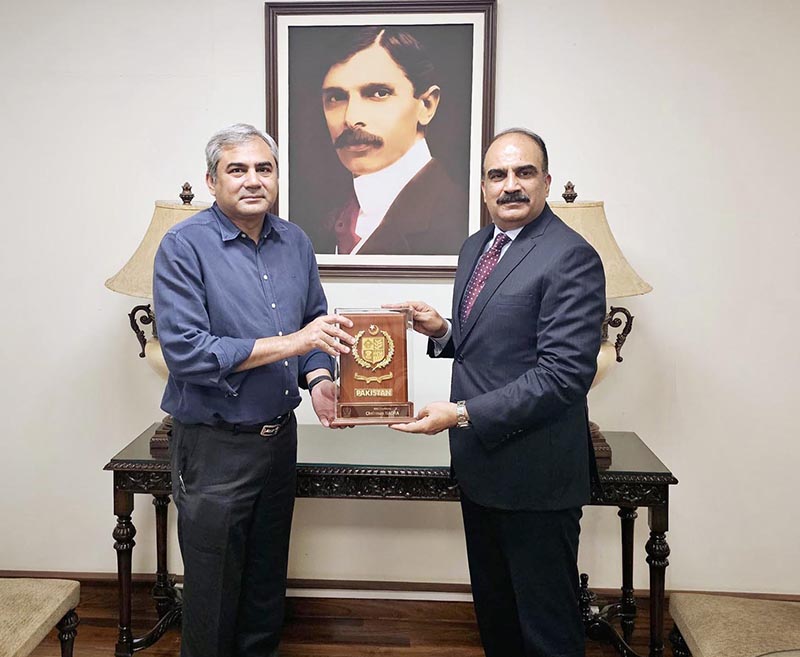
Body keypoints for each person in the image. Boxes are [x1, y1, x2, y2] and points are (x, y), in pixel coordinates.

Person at [388, 128, 606, 657]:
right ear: (483, 188)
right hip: (480, 469)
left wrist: (460, 413)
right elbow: (491, 345)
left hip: (536, 478)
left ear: (546, 181)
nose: (510, 186)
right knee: (498, 619)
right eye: (497, 175)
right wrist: (442, 330)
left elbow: (561, 375)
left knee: (546, 628)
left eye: (523, 173)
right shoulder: (476, 247)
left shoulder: (570, 257)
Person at [152, 123, 355, 657]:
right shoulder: (182, 246)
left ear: (277, 177)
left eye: (264, 168)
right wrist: (293, 345)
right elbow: (188, 353)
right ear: (212, 179)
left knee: (265, 590)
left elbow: (315, 322)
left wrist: (319, 377)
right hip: (215, 444)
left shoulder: (296, 242)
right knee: (214, 596)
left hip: (277, 441)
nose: (252, 180)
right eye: (236, 169)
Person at [313, 26, 468, 255]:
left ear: (426, 105)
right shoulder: (324, 222)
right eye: (336, 97)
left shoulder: (456, 215)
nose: (351, 118)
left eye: (378, 93)